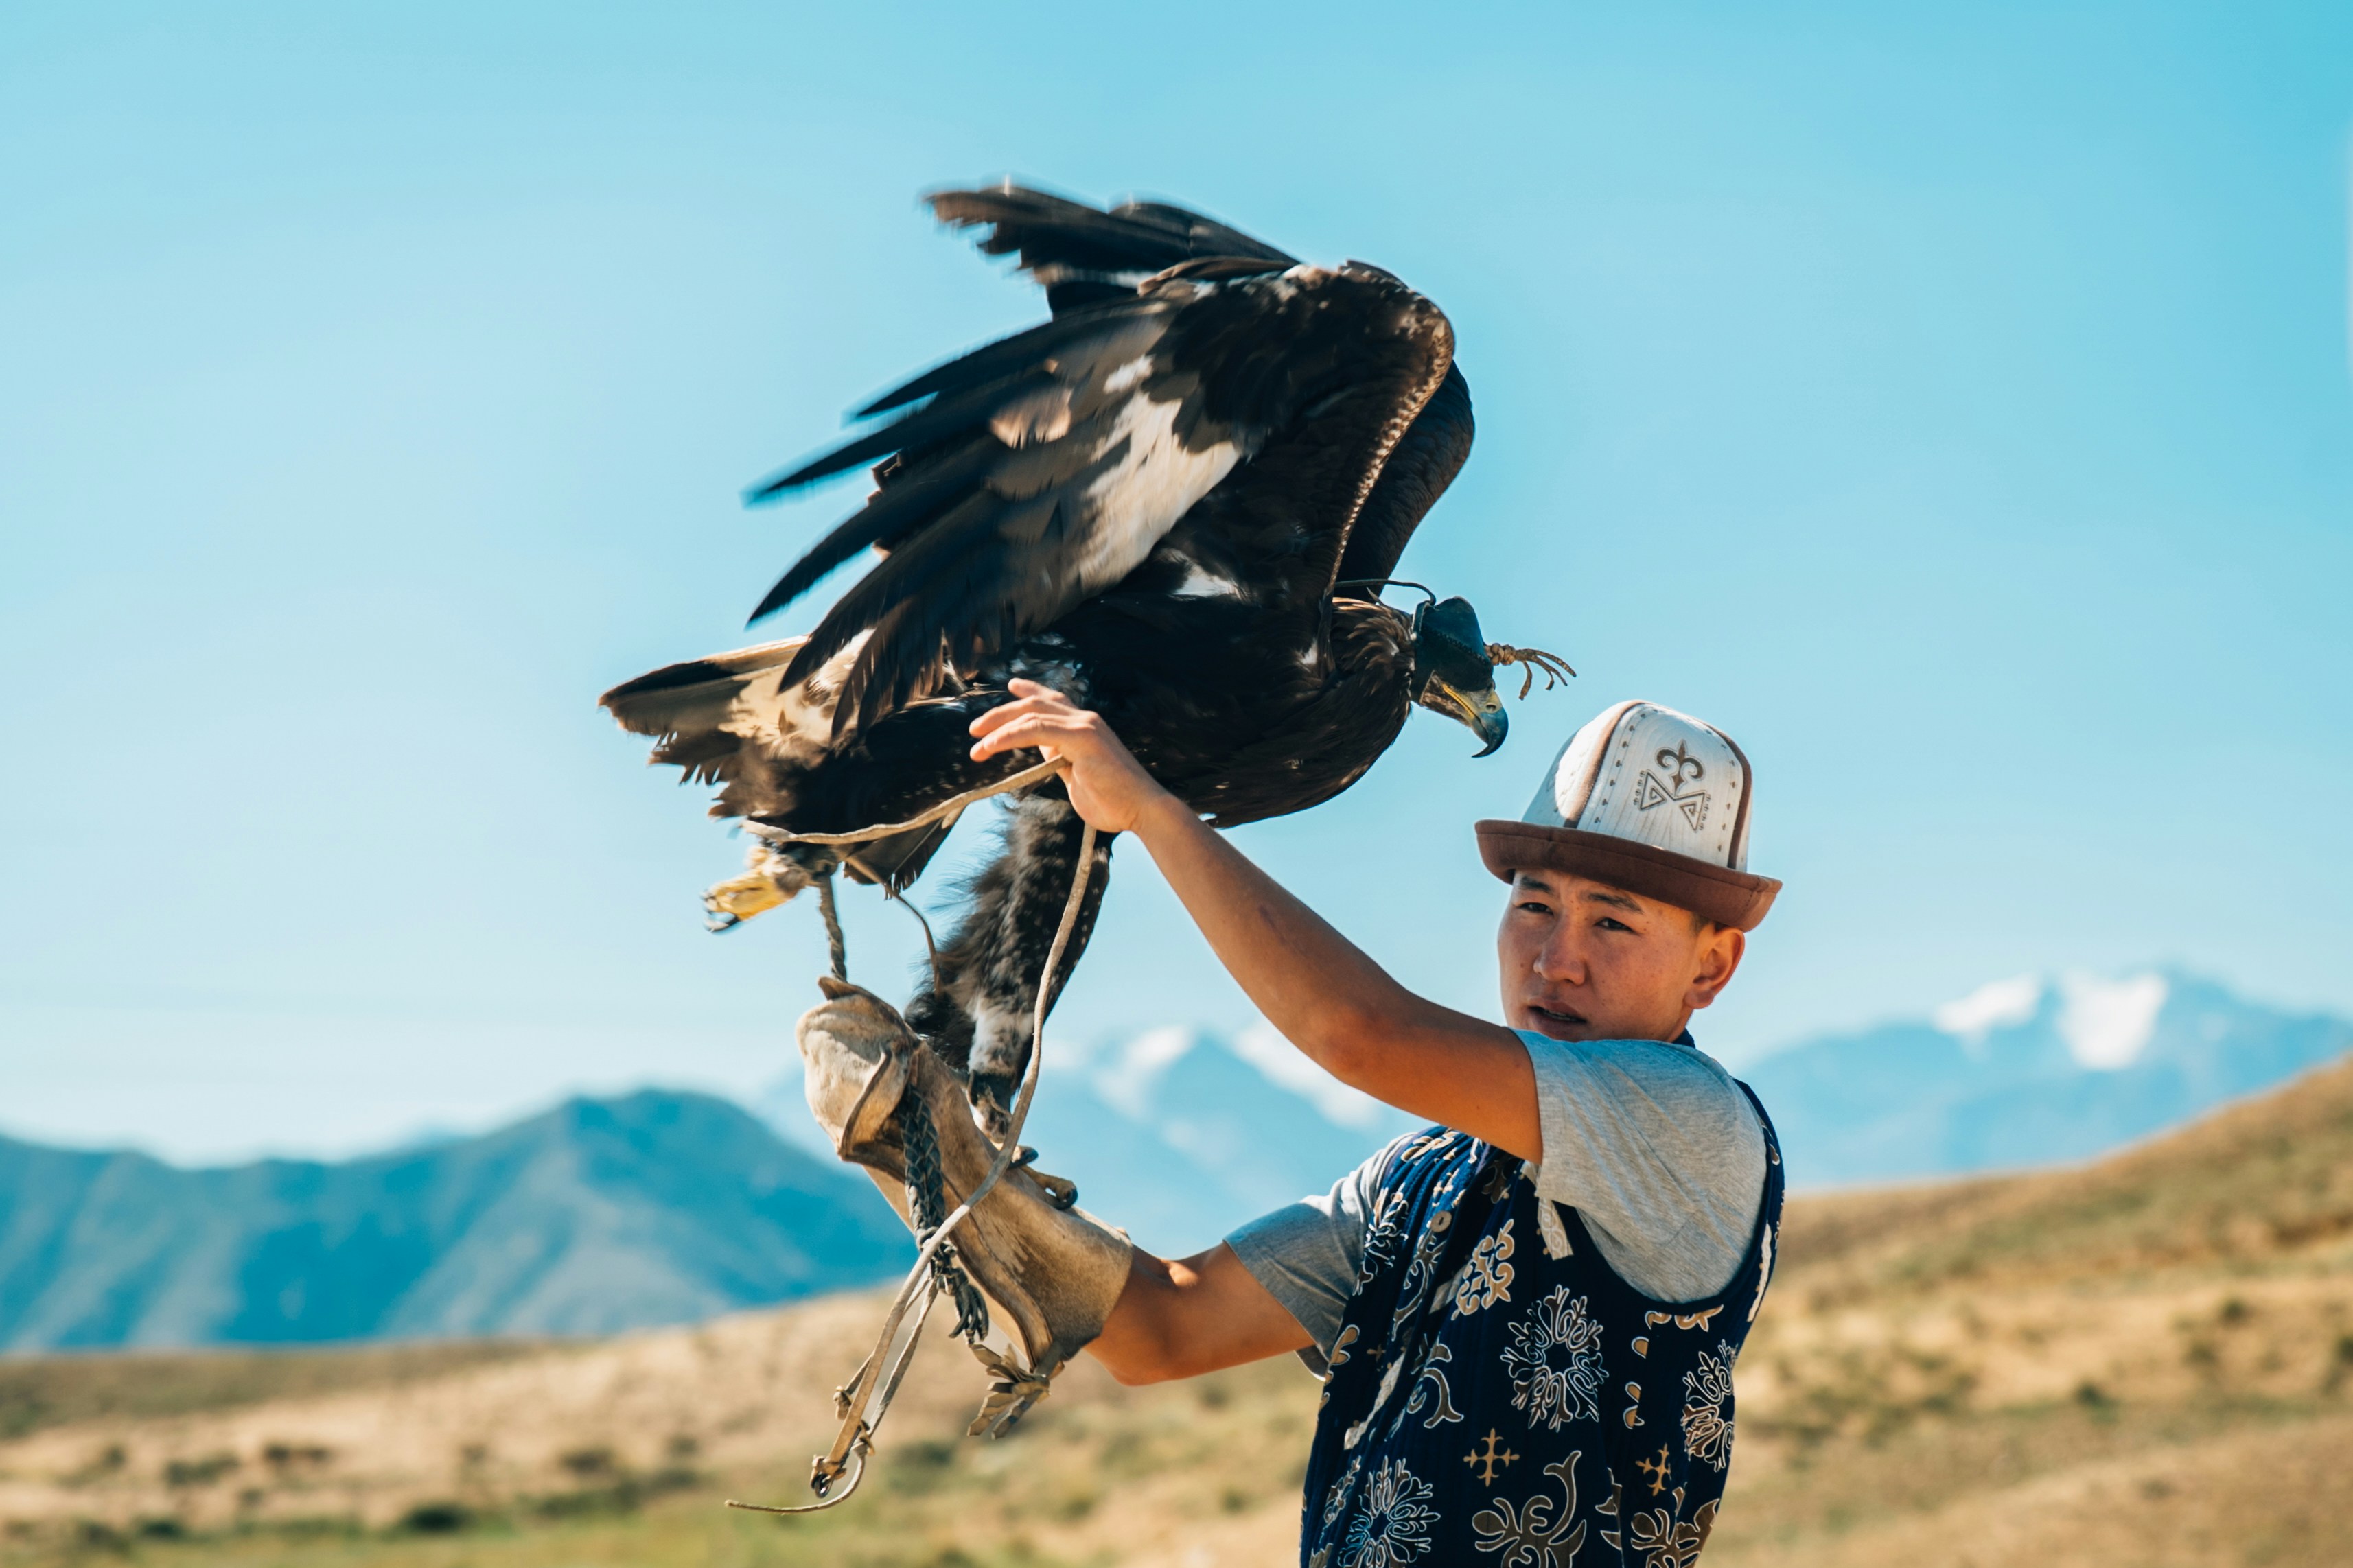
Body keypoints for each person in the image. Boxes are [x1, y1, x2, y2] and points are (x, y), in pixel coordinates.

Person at [964, 681, 1787, 1566]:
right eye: (1535, 905)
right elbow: (1163, 1328)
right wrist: (930, 1153)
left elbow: (1358, 1033)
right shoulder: (1423, 1178)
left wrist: (1153, 812)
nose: (1556, 961)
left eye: (1614, 922)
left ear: (1712, 967)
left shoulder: (1694, 1121)